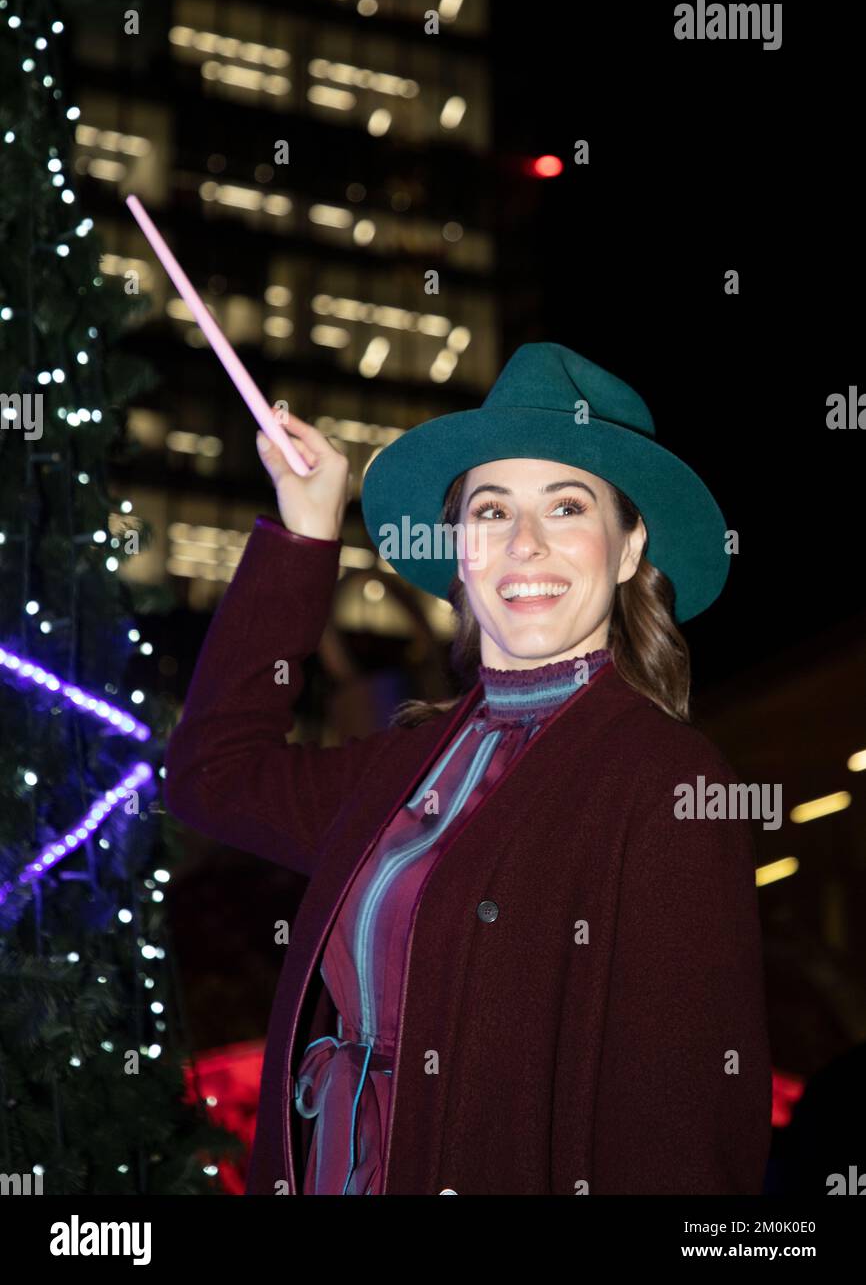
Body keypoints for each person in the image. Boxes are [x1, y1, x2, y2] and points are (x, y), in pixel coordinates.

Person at [164, 341, 773, 1195]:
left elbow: (683, 1137)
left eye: (566, 506)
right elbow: (211, 776)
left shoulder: (663, 780)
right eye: (491, 511)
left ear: (630, 547)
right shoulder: (411, 766)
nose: (524, 543)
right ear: (457, 550)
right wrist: (306, 532)